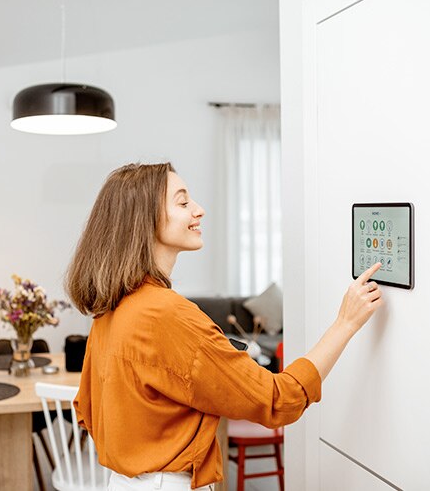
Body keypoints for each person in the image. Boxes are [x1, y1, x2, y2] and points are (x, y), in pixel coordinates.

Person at [65, 162, 382, 491]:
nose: (199, 210)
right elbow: (277, 400)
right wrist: (345, 323)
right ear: (144, 219)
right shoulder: (168, 314)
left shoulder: (110, 309)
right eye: (183, 202)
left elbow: (86, 410)